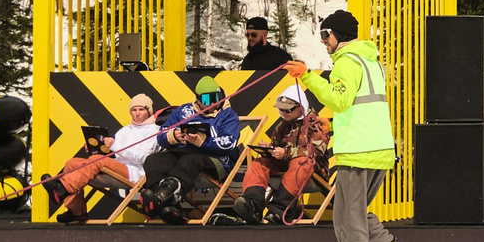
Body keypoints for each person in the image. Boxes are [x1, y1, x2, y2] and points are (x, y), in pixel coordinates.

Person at [297, 10, 420, 242]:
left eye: (325, 35)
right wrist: (335, 127)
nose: (323, 41)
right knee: (354, 215)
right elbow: (359, 108)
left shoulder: (346, 63)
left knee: (346, 220)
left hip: (358, 153)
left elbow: (338, 100)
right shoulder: (368, 61)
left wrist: (307, 77)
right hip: (377, 149)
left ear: (339, 35)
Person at [141, 76, 243, 224]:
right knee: (154, 160)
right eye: (207, 100)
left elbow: (228, 143)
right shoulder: (183, 111)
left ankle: (158, 200)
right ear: (198, 100)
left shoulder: (228, 115)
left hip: (214, 159)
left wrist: (201, 140)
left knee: (189, 161)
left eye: (216, 98)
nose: (213, 103)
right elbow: (161, 135)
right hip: (181, 152)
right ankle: (168, 207)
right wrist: (173, 136)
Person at [241, 87, 328, 224]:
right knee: (259, 163)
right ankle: (253, 205)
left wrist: (285, 153)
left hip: (312, 172)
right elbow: (277, 147)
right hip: (286, 168)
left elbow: (314, 152)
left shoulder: (316, 124)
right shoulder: (282, 126)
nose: (284, 113)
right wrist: (269, 149)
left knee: (301, 162)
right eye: (282, 109)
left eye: (289, 109)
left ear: (302, 107)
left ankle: (279, 210)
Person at [43, 126, 132, 223]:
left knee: (96, 159)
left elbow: (142, 157)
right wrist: (95, 148)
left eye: (141, 110)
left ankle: (63, 190)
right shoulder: (125, 130)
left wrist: (115, 146)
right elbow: (115, 154)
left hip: (132, 171)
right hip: (114, 166)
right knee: (72, 163)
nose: (137, 113)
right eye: (134, 110)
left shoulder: (150, 131)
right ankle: (77, 212)